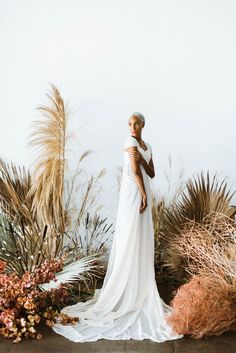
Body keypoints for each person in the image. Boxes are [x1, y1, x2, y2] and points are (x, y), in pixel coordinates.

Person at [52, 112, 183, 342]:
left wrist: (143, 160)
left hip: (143, 193)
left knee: (141, 236)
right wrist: (143, 195)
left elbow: (150, 172)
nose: (132, 127)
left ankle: (139, 284)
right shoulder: (129, 142)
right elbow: (134, 173)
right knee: (130, 235)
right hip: (134, 194)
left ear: (143, 124)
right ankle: (125, 287)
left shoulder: (146, 145)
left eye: (136, 123)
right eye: (129, 124)